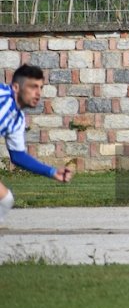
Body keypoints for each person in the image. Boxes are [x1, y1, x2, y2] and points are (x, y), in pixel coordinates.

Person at [1, 64, 73, 222]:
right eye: (33, 87)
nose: (38, 93)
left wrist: (52, 171)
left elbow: (18, 156)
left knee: (5, 200)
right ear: (15, 87)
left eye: (40, 87)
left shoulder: (17, 120)